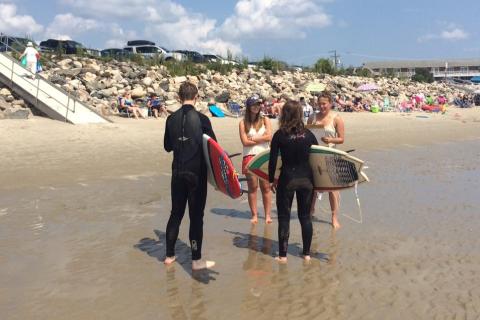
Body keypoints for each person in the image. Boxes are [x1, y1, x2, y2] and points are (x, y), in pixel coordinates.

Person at [163, 82, 216, 270]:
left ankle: (169, 256)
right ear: (197, 97)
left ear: (179, 97)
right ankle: (196, 260)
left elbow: (168, 146)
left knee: (175, 213)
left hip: (177, 173)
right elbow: (213, 149)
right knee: (195, 217)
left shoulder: (171, 119)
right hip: (196, 175)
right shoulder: (202, 119)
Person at [268, 100, 318, 263]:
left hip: (287, 179)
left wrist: (270, 180)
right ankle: (306, 254)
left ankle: (282, 256)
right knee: (305, 217)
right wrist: (321, 182)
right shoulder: (309, 134)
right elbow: (319, 157)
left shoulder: (279, 135)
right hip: (307, 181)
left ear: (285, 114)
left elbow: (273, 160)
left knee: (284, 217)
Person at [308, 92, 345, 229]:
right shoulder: (312, 117)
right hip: (314, 155)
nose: (322, 106)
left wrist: (331, 140)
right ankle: (310, 211)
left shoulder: (336, 118)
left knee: (333, 188)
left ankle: (334, 217)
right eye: (319, 103)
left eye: (324, 103)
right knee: (313, 187)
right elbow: (307, 134)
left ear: (330, 103)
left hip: (331, 155)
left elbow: (341, 139)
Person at [239, 94, 273, 224]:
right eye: (254, 104)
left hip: (264, 156)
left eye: (258, 104)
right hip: (249, 156)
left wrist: (253, 139)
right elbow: (245, 143)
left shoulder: (265, 120)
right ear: (249, 106)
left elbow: (269, 137)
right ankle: (254, 215)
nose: (257, 107)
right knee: (252, 187)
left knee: (266, 187)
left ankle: (268, 215)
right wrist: (260, 138)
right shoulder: (243, 123)